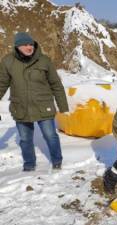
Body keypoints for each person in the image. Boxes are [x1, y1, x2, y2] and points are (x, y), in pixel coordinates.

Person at [0, 32, 69, 171]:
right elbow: (2, 84)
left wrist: (63, 106)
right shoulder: (7, 61)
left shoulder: (44, 61)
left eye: (31, 44)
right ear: (17, 46)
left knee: (50, 136)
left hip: (43, 105)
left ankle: (57, 161)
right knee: (25, 139)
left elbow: (56, 84)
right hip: (20, 107)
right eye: (25, 44)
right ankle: (29, 164)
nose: (29, 47)